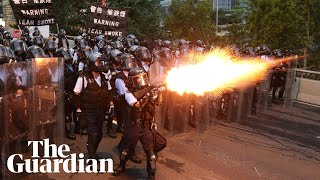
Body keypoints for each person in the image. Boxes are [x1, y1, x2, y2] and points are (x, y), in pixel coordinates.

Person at [113, 67, 164, 180]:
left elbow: (158, 102)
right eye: (139, 78)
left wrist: (160, 92)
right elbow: (137, 105)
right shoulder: (128, 91)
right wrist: (148, 93)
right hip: (134, 125)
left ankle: (151, 175)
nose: (142, 80)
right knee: (126, 150)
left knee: (151, 154)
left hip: (146, 126)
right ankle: (122, 166)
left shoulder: (148, 89)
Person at [73, 52, 113, 160]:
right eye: (98, 61)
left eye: (101, 61)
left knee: (99, 134)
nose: (100, 64)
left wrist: (111, 105)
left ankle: (93, 152)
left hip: (101, 110)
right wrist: (78, 109)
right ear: (91, 63)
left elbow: (109, 92)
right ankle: (91, 157)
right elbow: (76, 94)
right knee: (93, 134)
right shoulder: (83, 78)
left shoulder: (104, 78)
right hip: (89, 111)